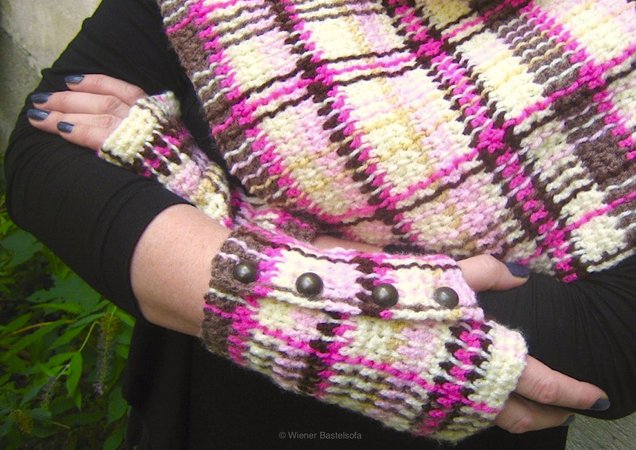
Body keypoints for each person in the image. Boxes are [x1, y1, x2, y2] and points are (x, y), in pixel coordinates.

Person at [5, 0, 635, 448]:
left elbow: (610, 348)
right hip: (198, 414)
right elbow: (45, 155)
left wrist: (219, 214)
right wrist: (333, 303)